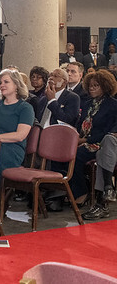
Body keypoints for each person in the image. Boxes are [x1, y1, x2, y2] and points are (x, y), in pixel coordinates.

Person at [64, 70, 117, 207]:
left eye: (96, 85)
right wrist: (76, 137)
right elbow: (79, 123)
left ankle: (81, 192)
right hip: (82, 139)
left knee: (75, 156)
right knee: (63, 153)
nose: (92, 88)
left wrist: (86, 141)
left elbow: (108, 132)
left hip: (100, 143)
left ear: (105, 86)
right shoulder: (87, 103)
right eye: (90, 85)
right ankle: (68, 190)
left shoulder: (113, 105)